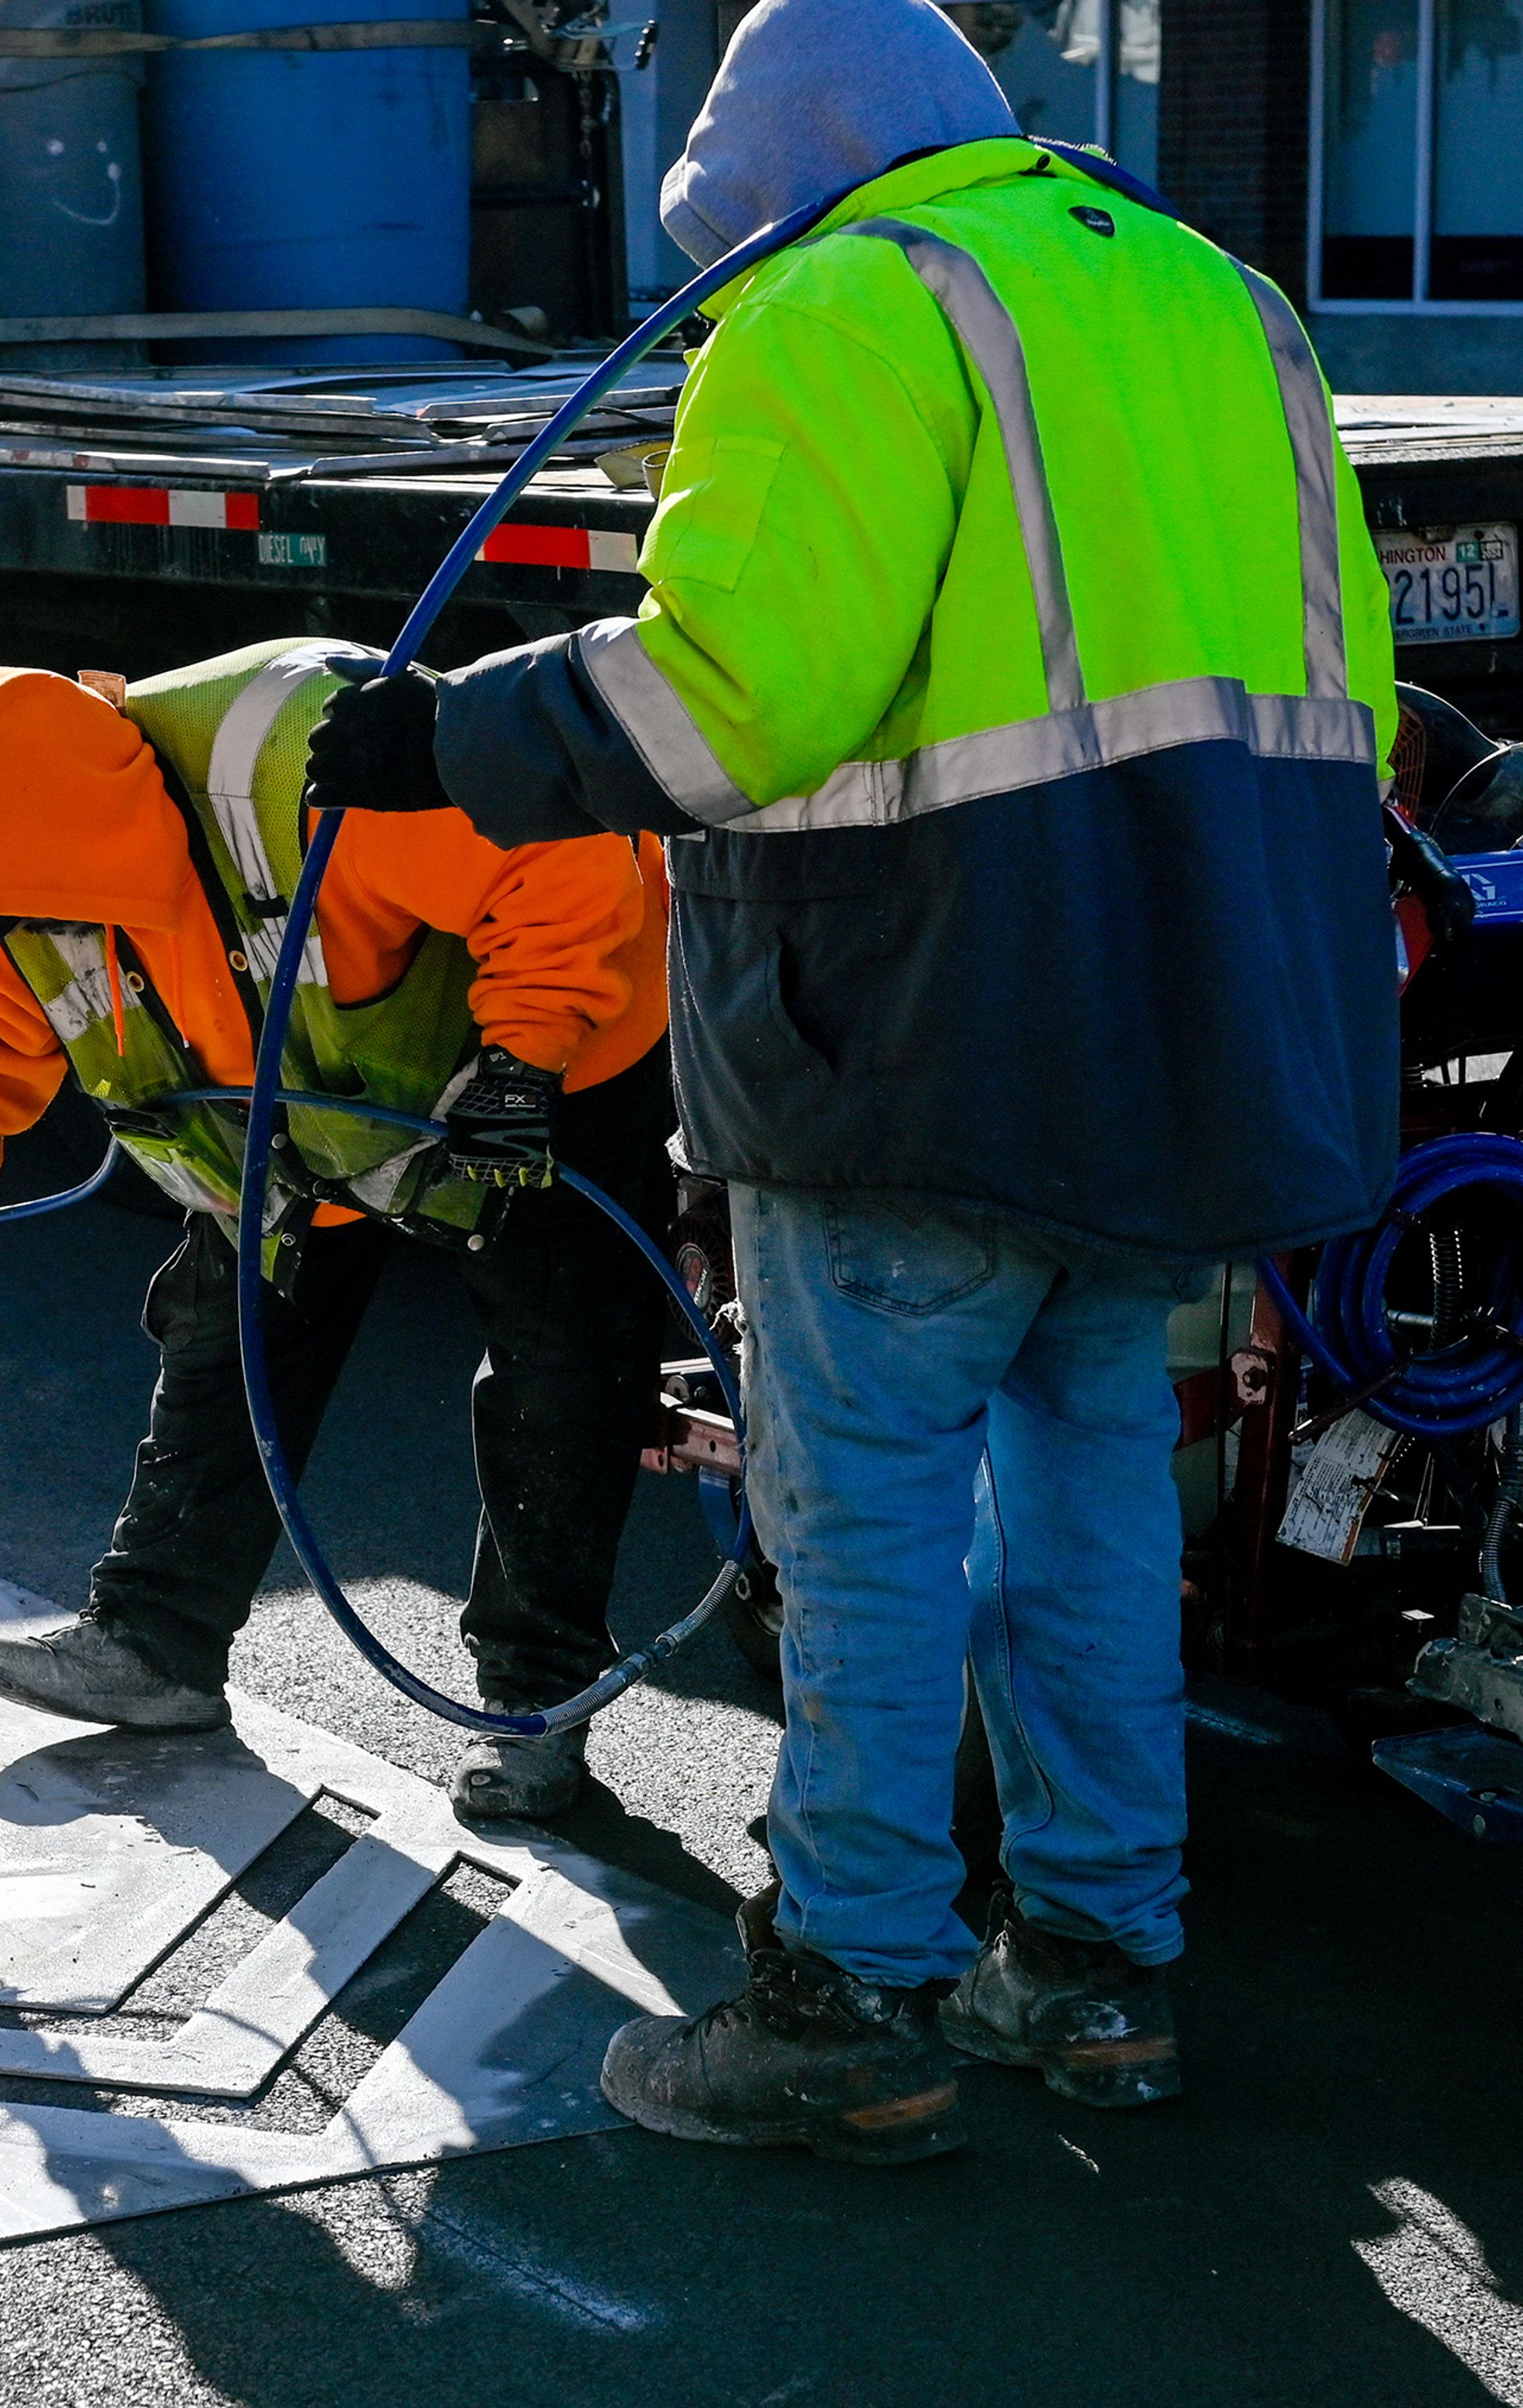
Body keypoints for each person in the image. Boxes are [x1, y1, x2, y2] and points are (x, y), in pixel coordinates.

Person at [301, 0, 1398, 2160]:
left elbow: (738, 697)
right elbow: (1337, 661)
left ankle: (855, 1987)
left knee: (870, 1513)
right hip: (1186, 1030)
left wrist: (453, 739)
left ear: (767, 187)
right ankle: (1092, 1965)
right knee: (1090, 1484)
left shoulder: (841, 303)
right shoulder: (1222, 300)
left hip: (920, 1027)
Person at [0, 645, 672, 1818]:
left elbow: (556, 844)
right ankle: (156, 1641)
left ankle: (535, 1710)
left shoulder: (297, 755)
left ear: (81, 851)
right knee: (233, 1314)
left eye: (20, 913)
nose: (15, 939)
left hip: (546, 1043)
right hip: (316, 1090)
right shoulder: (16, 886)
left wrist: (527, 1053)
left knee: (563, 1354)